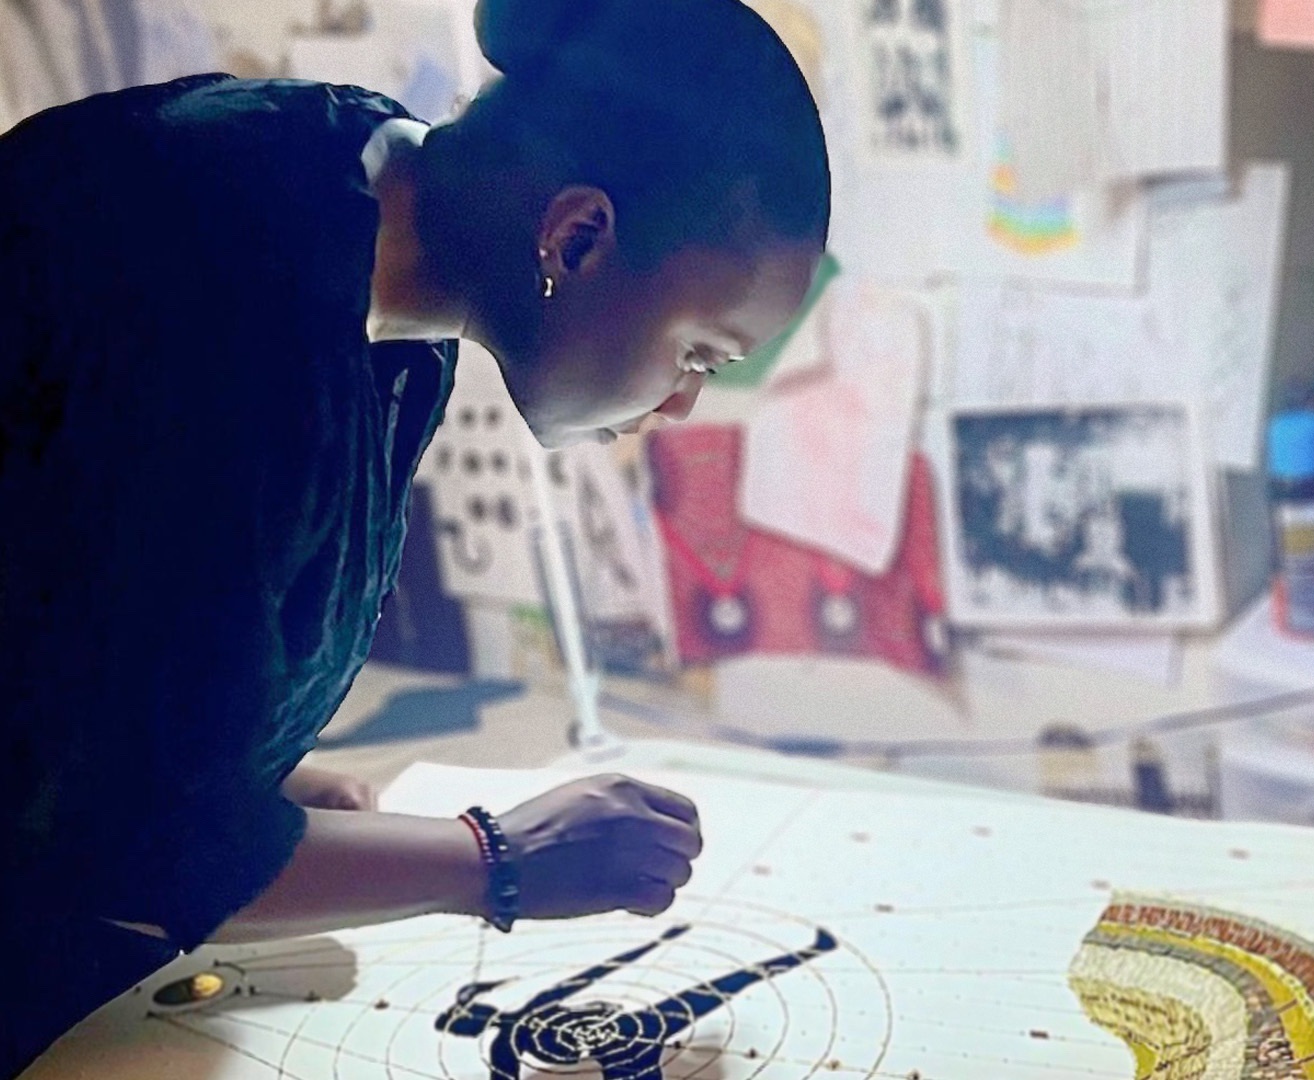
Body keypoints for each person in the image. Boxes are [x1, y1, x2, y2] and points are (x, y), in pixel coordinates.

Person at [0, 0, 828, 1072]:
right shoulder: (202, 259)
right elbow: (124, 847)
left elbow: (102, 635)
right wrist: (494, 861)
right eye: (701, 355)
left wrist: (262, 773)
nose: (680, 408)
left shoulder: (389, 274)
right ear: (576, 237)